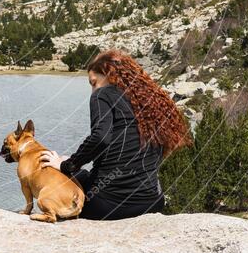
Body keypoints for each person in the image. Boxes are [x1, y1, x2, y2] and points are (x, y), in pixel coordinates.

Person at [39, 49, 190, 220]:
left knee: (62, 173)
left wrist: (66, 165)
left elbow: (101, 137)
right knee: (79, 171)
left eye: (94, 83)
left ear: (108, 76)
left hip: (108, 205)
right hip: (152, 202)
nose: (93, 90)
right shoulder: (150, 102)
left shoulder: (102, 95)